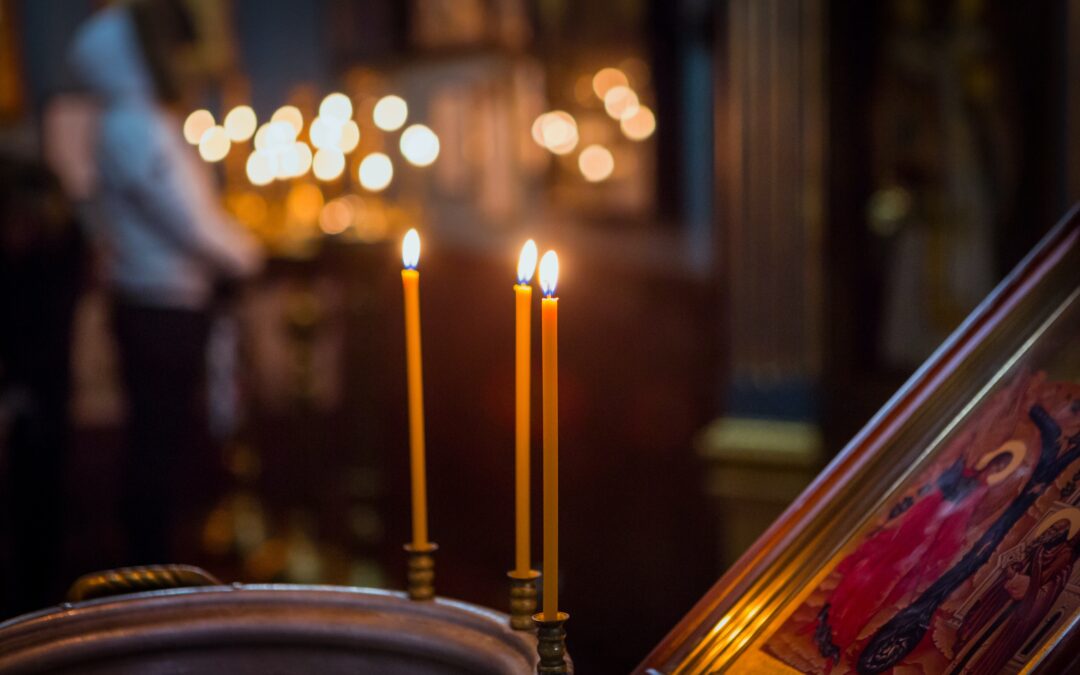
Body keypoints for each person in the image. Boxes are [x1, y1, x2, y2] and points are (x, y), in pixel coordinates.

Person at [68, 0, 262, 564]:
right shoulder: (133, 126)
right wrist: (245, 254)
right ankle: (152, 565)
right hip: (160, 307)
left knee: (165, 435)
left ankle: (157, 555)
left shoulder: (139, 120)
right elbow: (185, 217)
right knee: (158, 439)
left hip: (160, 300)